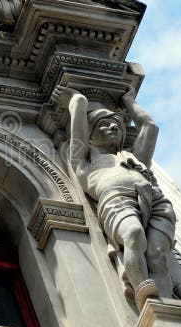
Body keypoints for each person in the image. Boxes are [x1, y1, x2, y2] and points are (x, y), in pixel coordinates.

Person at [66, 86, 175, 310]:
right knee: (133, 233)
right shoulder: (85, 163)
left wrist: (128, 101)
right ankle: (144, 294)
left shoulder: (135, 157)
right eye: (103, 124)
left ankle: (170, 308)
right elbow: (77, 133)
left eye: (116, 123)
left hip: (155, 201)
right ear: (90, 137)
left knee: (157, 255)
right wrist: (78, 102)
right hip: (116, 200)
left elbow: (150, 127)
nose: (113, 125)